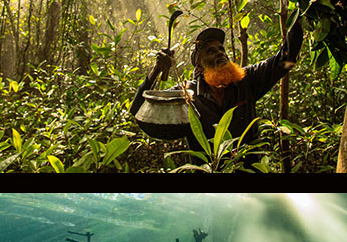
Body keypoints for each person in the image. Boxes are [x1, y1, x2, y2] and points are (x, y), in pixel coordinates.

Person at [130, 23, 304, 155]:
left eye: (221, 48)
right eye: (211, 51)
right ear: (199, 63)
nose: (220, 52)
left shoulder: (246, 80)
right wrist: (156, 70)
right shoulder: (186, 94)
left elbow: (286, 58)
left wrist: (300, 10)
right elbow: (138, 109)